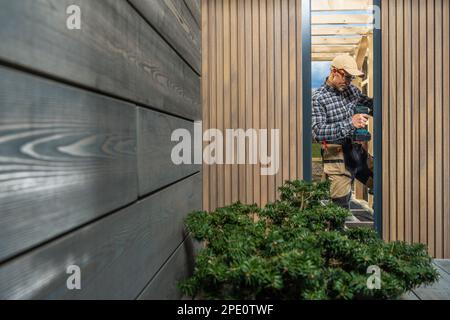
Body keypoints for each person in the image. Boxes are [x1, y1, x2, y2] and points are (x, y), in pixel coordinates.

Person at [312, 55, 374, 210]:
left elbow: (371, 105)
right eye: (346, 77)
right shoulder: (318, 98)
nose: (348, 82)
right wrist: (350, 123)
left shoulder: (351, 90)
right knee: (339, 210)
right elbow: (317, 132)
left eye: (351, 78)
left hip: (357, 153)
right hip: (336, 157)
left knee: (385, 183)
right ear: (334, 71)